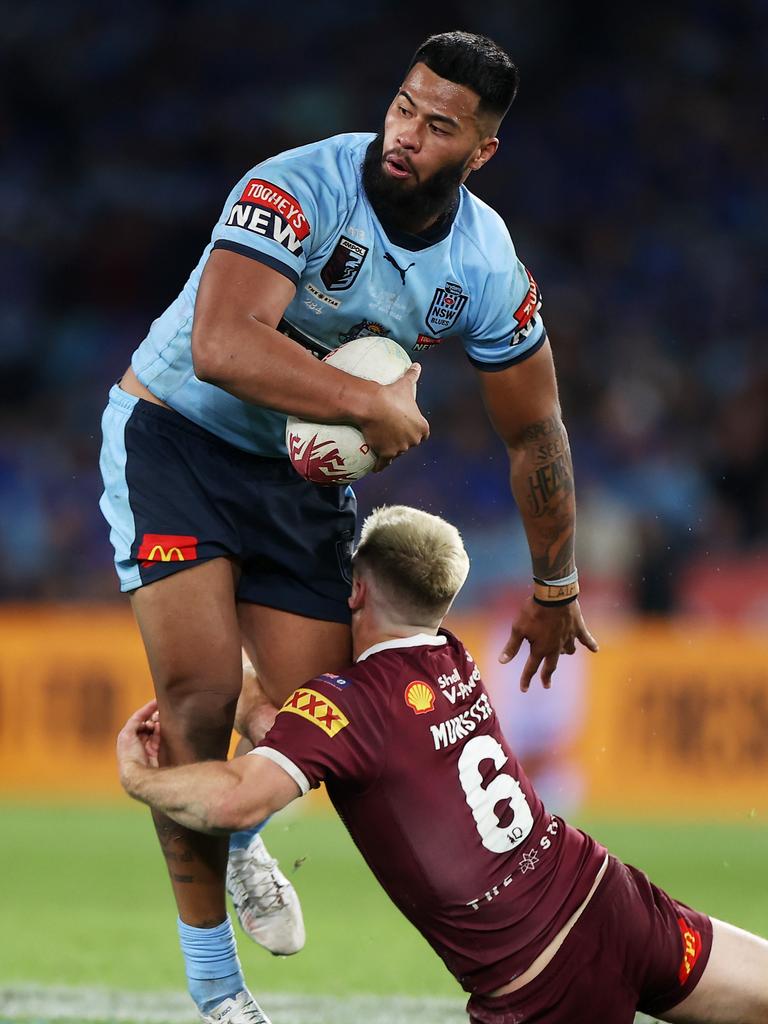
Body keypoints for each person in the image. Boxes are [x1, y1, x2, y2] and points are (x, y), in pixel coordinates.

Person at [99, 28, 598, 1021]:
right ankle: (218, 993)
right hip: (178, 436)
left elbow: (536, 430)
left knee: (323, 719)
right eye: (405, 104)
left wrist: (556, 583)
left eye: (439, 124)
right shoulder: (298, 186)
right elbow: (220, 343)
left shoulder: (487, 266)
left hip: (298, 480)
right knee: (197, 701)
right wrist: (364, 404)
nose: (407, 132)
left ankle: (239, 834)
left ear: (481, 151)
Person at [117, 505, 768, 1024]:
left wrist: (138, 778)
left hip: (540, 982)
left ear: (357, 591)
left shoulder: (349, 707)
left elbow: (236, 800)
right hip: (615, 902)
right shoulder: (452, 658)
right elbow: (299, 714)